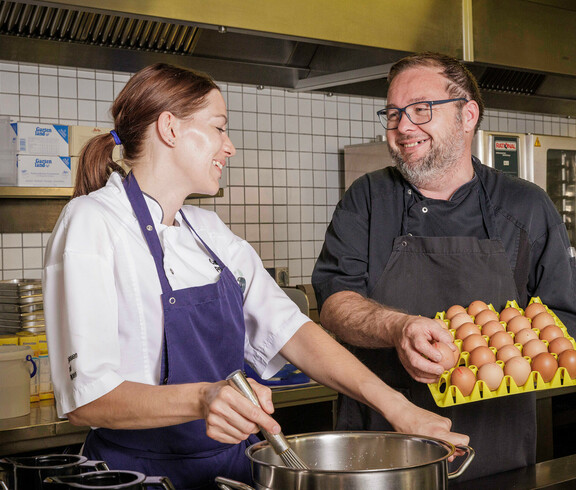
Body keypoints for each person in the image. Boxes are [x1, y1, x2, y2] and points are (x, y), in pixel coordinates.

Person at [42, 63, 469, 490]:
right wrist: (203, 398)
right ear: (170, 129)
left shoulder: (208, 233)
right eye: (218, 128)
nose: (229, 147)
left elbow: (295, 331)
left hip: (231, 473)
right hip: (136, 477)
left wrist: (399, 410)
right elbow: (89, 401)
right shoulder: (92, 222)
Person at [312, 52, 576, 481]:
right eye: (393, 113)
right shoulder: (367, 198)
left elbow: (562, 321)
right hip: (383, 446)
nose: (402, 126)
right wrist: (397, 328)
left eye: (420, 110)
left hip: (493, 447)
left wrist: (499, 350)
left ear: (467, 114)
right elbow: (334, 303)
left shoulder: (525, 206)